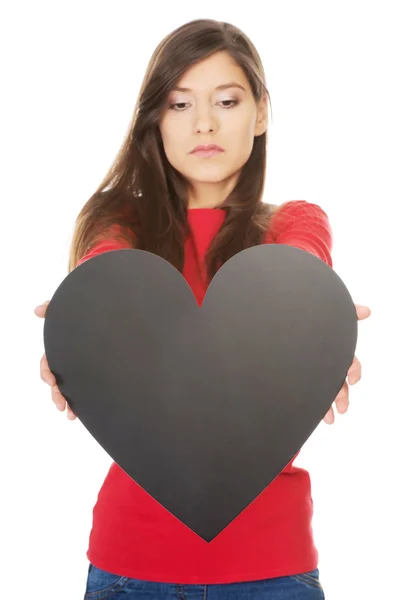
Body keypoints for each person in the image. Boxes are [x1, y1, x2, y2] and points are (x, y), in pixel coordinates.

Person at [34, 18, 371, 600]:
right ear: (155, 120)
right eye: (179, 103)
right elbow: (105, 269)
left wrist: (319, 321)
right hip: (130, 571)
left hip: (273, 571)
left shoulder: (293, 223)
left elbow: (303, 266)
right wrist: (79, 329)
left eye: (227, 100)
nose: (205, 123)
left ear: (261, 113)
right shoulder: (123, 222)